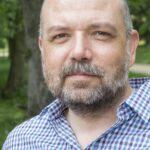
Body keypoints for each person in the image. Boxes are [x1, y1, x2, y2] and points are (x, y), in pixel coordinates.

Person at [3, 0, 150, 149]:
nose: (79, 52)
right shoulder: (20, 142)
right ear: (43, 50)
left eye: (100, 33)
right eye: (60, 36)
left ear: (130, 47)